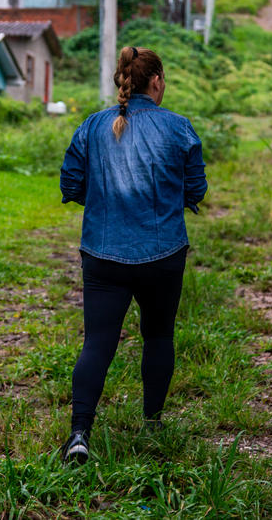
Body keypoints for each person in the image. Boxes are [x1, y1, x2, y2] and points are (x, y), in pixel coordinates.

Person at [58, 46, 208, 464]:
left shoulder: (92, 126)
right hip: (164, 255)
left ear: (123, 80)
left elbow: (71, 184)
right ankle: (153, 426)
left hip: (103, 256)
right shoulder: (178, 127)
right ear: (156, 81)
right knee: (158, 336)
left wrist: (106, 203)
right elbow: (196, 189)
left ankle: (79, 434)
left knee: (98, 343)